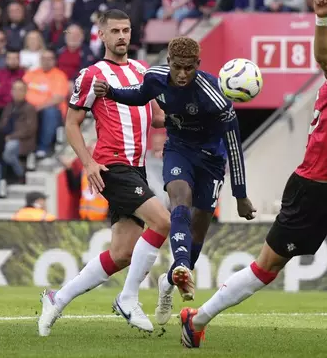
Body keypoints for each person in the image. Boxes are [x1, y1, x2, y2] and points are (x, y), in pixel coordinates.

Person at [172, 0, 327, 354]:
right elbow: (324, 56)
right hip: (310, 190)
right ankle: (196, 319)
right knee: (267, 268)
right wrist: (322, 19)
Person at [94, 36, 255, 323]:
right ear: (168, 62)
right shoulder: (156, 77)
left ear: (198, 65)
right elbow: (139, 94)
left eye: (189, 68)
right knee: (179, 198)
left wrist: (240, 195)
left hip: (211, 160)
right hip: (178, 149)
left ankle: (170, 281)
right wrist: (111, 92)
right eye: (177, 67)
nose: (182, 74)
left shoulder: (216, 98)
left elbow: (234, 146)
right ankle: (181, 265)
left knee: (198, 231)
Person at [37, 9, 168, 336]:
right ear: (102, 36)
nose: (122, 36)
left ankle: (58, 297)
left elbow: (159, 117)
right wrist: (89, 163)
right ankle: (128, 297)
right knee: (163, 221)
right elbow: (71, 124)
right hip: (112, 166)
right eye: (116, 31)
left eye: (126, 30)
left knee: (123, 253)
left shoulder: (142, 70)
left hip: (136, 168)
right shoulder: (91, 76)